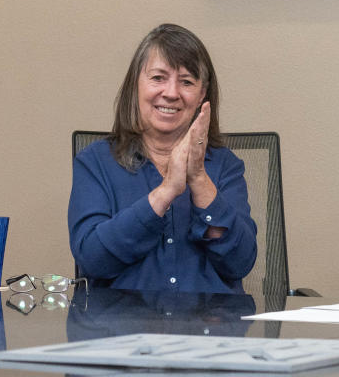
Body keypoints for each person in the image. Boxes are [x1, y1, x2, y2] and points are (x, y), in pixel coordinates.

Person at [68, 24, 257, 293]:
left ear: (202, 95)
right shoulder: (95, 162)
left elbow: (240, 263)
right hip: (122, 330)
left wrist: (199, 178)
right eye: (158, 78)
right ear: (136, 84)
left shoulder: (225, 166)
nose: (171, 92)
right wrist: (167, 191)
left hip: (210, 331)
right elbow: (93, 259)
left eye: (187, 81)